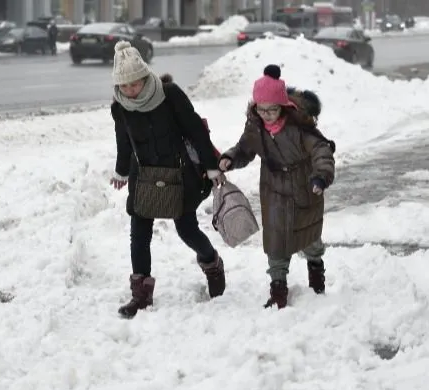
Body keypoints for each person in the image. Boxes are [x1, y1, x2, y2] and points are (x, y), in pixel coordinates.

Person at [109, 40, 226, 319]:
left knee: (186, 230)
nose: (130, 91)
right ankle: (141, 294)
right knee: (139, 234)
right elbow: (123, 142)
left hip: (179, 173)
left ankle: (211, 263)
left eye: (134, 84)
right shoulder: (120, 106)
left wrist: (211, 166)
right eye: (124, 86)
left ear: (145, 76)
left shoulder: (169, 94)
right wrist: (122, 171)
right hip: (145, 176)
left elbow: (196, 130)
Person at [219, 64, 336, 309]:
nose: (267, 114)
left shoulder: (299, 126)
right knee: (276, 240)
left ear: (282, 106)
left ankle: (316, 275)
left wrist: (321, 176)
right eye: (261, 109)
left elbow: (321, 151)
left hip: (304, 185)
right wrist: (230, 158)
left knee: (309, 237)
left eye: (272, 109)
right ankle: (278, 290)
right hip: (273, 189)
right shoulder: (256, 127)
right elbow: (244, 149)